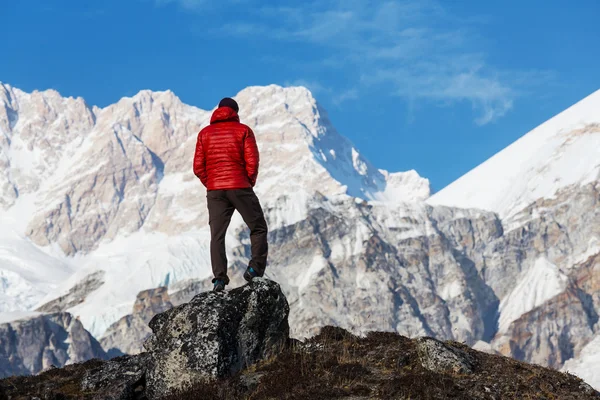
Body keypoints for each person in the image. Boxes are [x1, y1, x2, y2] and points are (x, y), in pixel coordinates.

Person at [193, 97, 268, 292]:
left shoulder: (204, 134)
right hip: (239, 186)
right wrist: (248, 181)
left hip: (215, 190)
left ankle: (219, 280)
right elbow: (252, 160)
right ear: (235, 112)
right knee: (258, 227)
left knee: (217, 235)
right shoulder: (243, 130)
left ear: (218, 110)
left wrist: (211, 183)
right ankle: (254, 269)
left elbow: (198, 167)